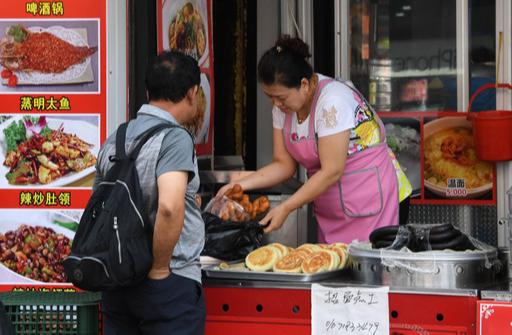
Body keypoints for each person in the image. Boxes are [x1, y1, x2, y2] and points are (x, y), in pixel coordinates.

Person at [218, 36, 412, 243]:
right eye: (269, 96)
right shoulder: (282, 109)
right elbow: (283, 165)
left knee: (369, 267)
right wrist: (238, 185)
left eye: (281, 97)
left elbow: (332, 170)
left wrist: (287, 207)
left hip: (372, 198)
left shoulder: (332, 101)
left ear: (304, 84)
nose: (275, 104)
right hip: (334, 206)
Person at [94, 51, 205, 335]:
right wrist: (159, 268)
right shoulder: (175, 138)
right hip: (167, 282)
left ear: (148, 91)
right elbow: (168, 206)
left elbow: (100, 206)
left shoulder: (116, 138)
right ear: (192, 93)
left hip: (117, 281)